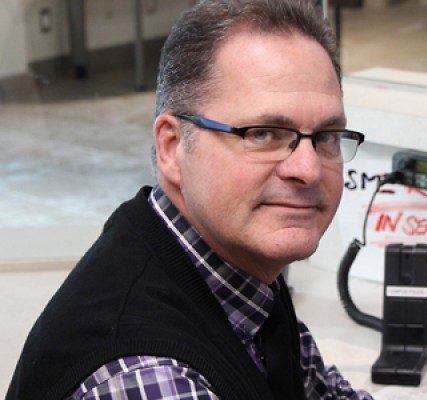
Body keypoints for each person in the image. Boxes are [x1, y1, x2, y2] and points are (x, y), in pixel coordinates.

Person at [7, 0, 372, 399]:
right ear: (172, 147)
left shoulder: (237, 271)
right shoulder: (145, 377)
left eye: (326, 136)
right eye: (263, 134)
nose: (309, 168)